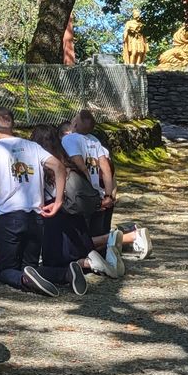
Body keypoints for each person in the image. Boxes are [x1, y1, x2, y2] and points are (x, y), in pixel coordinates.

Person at [0, 108, 68, 296]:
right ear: (13, 124)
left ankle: (24, 280)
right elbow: (60, 167)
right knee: (30, 266)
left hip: (8, 214)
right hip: (36, 214)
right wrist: (58, 200)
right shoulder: (33, 147)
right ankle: (65, 273)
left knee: (6, 270)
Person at [62, 111, 147, 271]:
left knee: (83, 237)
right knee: (98, 234)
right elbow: (106, 168)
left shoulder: (69, 139)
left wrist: (88, 188)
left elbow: (79, 164)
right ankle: (109, 258)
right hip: (100, 196)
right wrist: (108, 195)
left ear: (75, 124)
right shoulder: (95, 141)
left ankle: (91, 261)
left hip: (83, 197)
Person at [31, 125, 96, 295]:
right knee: (73, 254)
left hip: (53, 215)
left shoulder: (42, 162)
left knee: (50, 263)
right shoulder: (65, 160)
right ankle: (88, 262)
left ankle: (72, 271)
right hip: (74, 215)